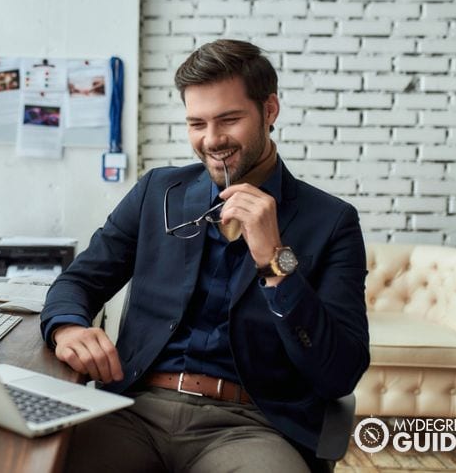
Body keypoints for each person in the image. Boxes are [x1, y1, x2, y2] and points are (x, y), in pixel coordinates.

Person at [40, 39, 369, 473]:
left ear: (269, 110)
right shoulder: (158, 192)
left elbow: (339, 371)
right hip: (135, 410)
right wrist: (66, 327)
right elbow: (78, 281)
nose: (212, 140)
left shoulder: (331, 221)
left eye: (229, 120)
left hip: (252, 426)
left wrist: (275, 259)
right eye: (197, 123)